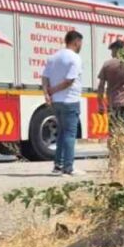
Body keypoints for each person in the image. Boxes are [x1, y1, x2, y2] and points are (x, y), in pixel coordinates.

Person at [41, 30, 84, 176]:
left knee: (61, 134)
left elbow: (44, 77)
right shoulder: (75, 58)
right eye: (80, 43)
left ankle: (57, 166)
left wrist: (47, 94)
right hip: (70, 100)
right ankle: (68, 167)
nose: (80, 46)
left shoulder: (53, 57)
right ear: (76, 42)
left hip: (56, 103)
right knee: (70, 135)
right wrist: (52, 90)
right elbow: (69, 81)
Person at [96, 40, 124, 135]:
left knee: (113, 131)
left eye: (112, 51)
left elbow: (101, 86)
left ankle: (115, 149)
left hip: (113, 104)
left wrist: (100, 104)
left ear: (116, 50)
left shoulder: (107, 65)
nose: (111, 53)